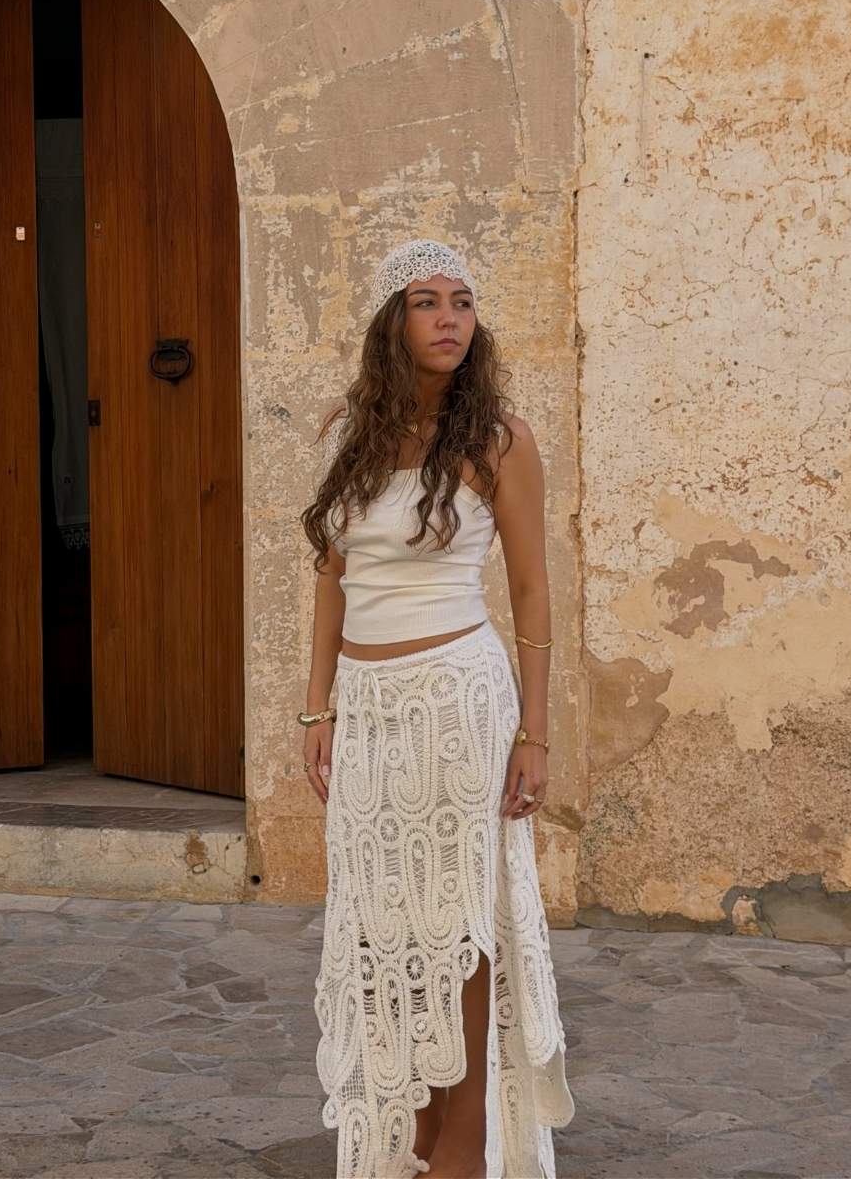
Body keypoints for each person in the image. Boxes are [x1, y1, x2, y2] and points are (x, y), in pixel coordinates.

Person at [299, 239, 574, 1179]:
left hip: (459, 703)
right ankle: (409, 1124)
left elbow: (532, 591)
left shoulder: (498, 440)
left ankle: (463, 1140)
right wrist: (317, 709)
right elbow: (333, 577)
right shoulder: (353, 435)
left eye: (462, 301)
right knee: (382, 923)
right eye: (427, 301)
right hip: (370, 709)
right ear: (394, 322)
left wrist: (535, 733)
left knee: (461, 925)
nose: (449, 317)